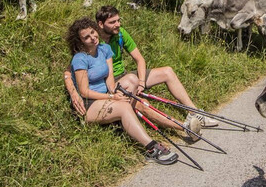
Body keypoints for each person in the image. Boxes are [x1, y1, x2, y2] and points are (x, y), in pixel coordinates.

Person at [65, 5, 217, 128]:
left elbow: (139, 59)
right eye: (112, 22)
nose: (117, 25)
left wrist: (142, 82)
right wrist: (73, 93)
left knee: (167, 71)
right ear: (100, 24)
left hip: (125, 75)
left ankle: (194, 112)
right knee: (140, 102)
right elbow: (69, 72)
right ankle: (178, 126)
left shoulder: (120, 34)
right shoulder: (91, 40)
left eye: (118, 20)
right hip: (112, 84)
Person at [65, 17, 185, 164]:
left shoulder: (104, 49)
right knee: (123, 107)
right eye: (86, 37)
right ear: (80, 41)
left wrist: (116, 92)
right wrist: (112, 97)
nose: (92, 38)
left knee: (131, 81)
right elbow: (84, 91)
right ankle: (152, 148)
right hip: (89, 103)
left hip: (105, 96)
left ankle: (129, 120)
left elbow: (109, 80)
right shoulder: (80, 58)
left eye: (93, 32)